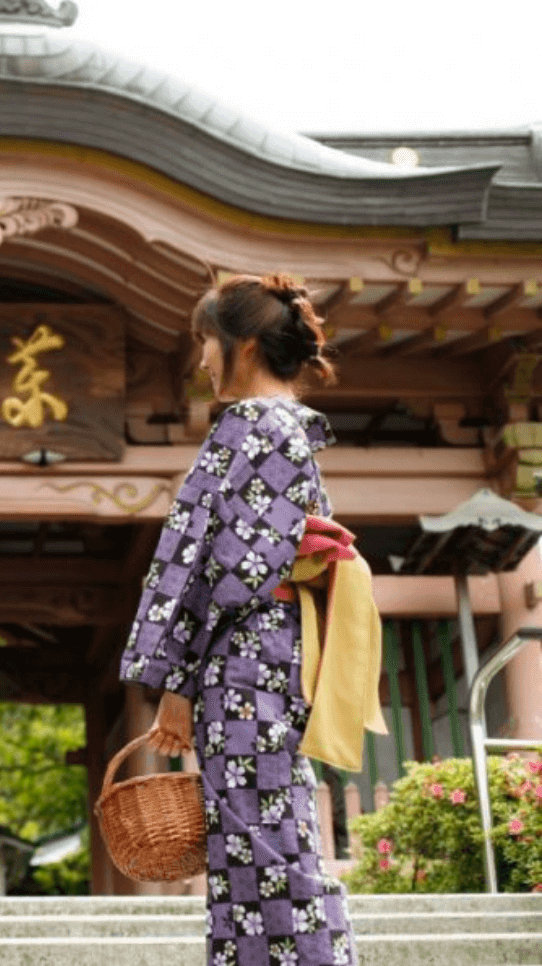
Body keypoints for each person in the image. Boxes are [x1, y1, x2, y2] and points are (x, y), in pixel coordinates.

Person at [119, 274, 358, 966]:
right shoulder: (273, 430)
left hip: (247, 656)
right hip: (257, 653)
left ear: (243, 345)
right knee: (254, 839)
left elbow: (232, 571)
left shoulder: (261, 429)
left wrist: (179, 680)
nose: (200, 359)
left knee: (263, 843)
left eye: (205, 342)